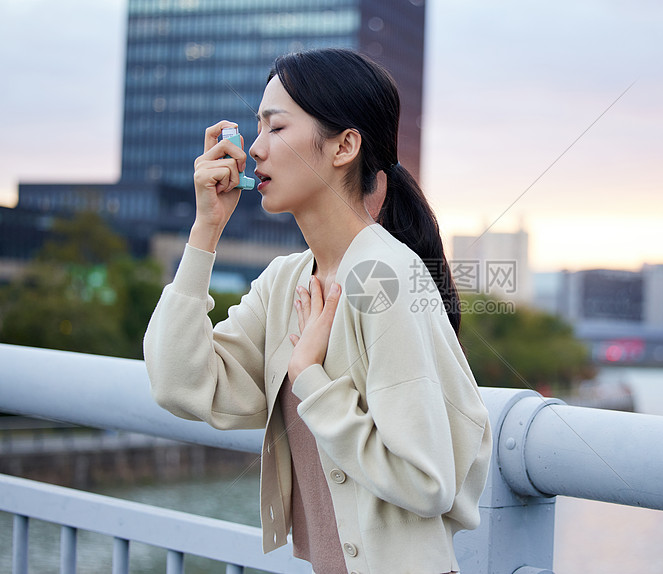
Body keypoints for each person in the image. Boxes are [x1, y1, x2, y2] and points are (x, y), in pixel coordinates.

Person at [143, 49, 492, 574]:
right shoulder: (287, 281)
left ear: (344, 145)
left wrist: (310, 378)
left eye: (275, 127)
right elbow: (180, 383)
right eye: (256, 129)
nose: (254, 150)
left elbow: (426, 480)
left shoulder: (386, 279)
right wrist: (205, 231)